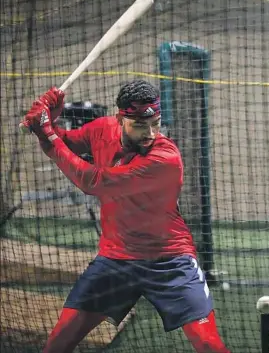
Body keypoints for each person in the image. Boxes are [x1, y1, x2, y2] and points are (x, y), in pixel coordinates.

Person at [24, 80, 231, 353]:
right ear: (121, 118)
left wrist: (47, 133)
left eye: (155, 123)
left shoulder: (165, 158)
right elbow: (63, 144)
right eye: (141, 125)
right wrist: (48, 123)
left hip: (169, 260)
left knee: (208, 344)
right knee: (58, 342)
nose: (151, 133)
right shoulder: (102, 129)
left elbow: (92, 181)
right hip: (116, 259)